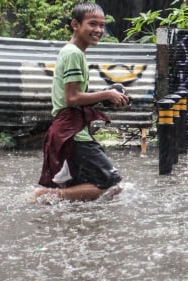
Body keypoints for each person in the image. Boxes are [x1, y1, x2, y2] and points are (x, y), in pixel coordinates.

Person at [33, 2, 130, 202]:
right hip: (72, 132)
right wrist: (106, 94)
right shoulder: (74, 53)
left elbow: (74, 97)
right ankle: (47, 195)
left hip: (70, 129)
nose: (99, 30)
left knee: (81, 187)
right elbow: (72, 98)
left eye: (102, 25)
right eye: (92, 24)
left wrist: (107, 96)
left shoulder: (74, 52)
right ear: (75, 25)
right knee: (112, 184)